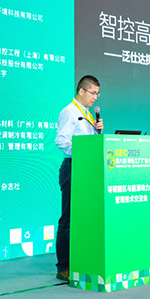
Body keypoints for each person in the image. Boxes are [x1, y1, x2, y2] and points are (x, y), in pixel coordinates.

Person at [54, 75, 103, 281]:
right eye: (93, 92)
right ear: (81, 91)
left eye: (98, 94)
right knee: (68, 219)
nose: (95, 97)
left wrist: (98, 133)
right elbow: (61, 141)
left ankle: (80, 261)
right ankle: (63, 267)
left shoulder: (88, 114)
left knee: (84, 218)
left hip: (87, 170)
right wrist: (82, 152)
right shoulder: (69, 112)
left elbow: (90, 144)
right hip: (73, 168)